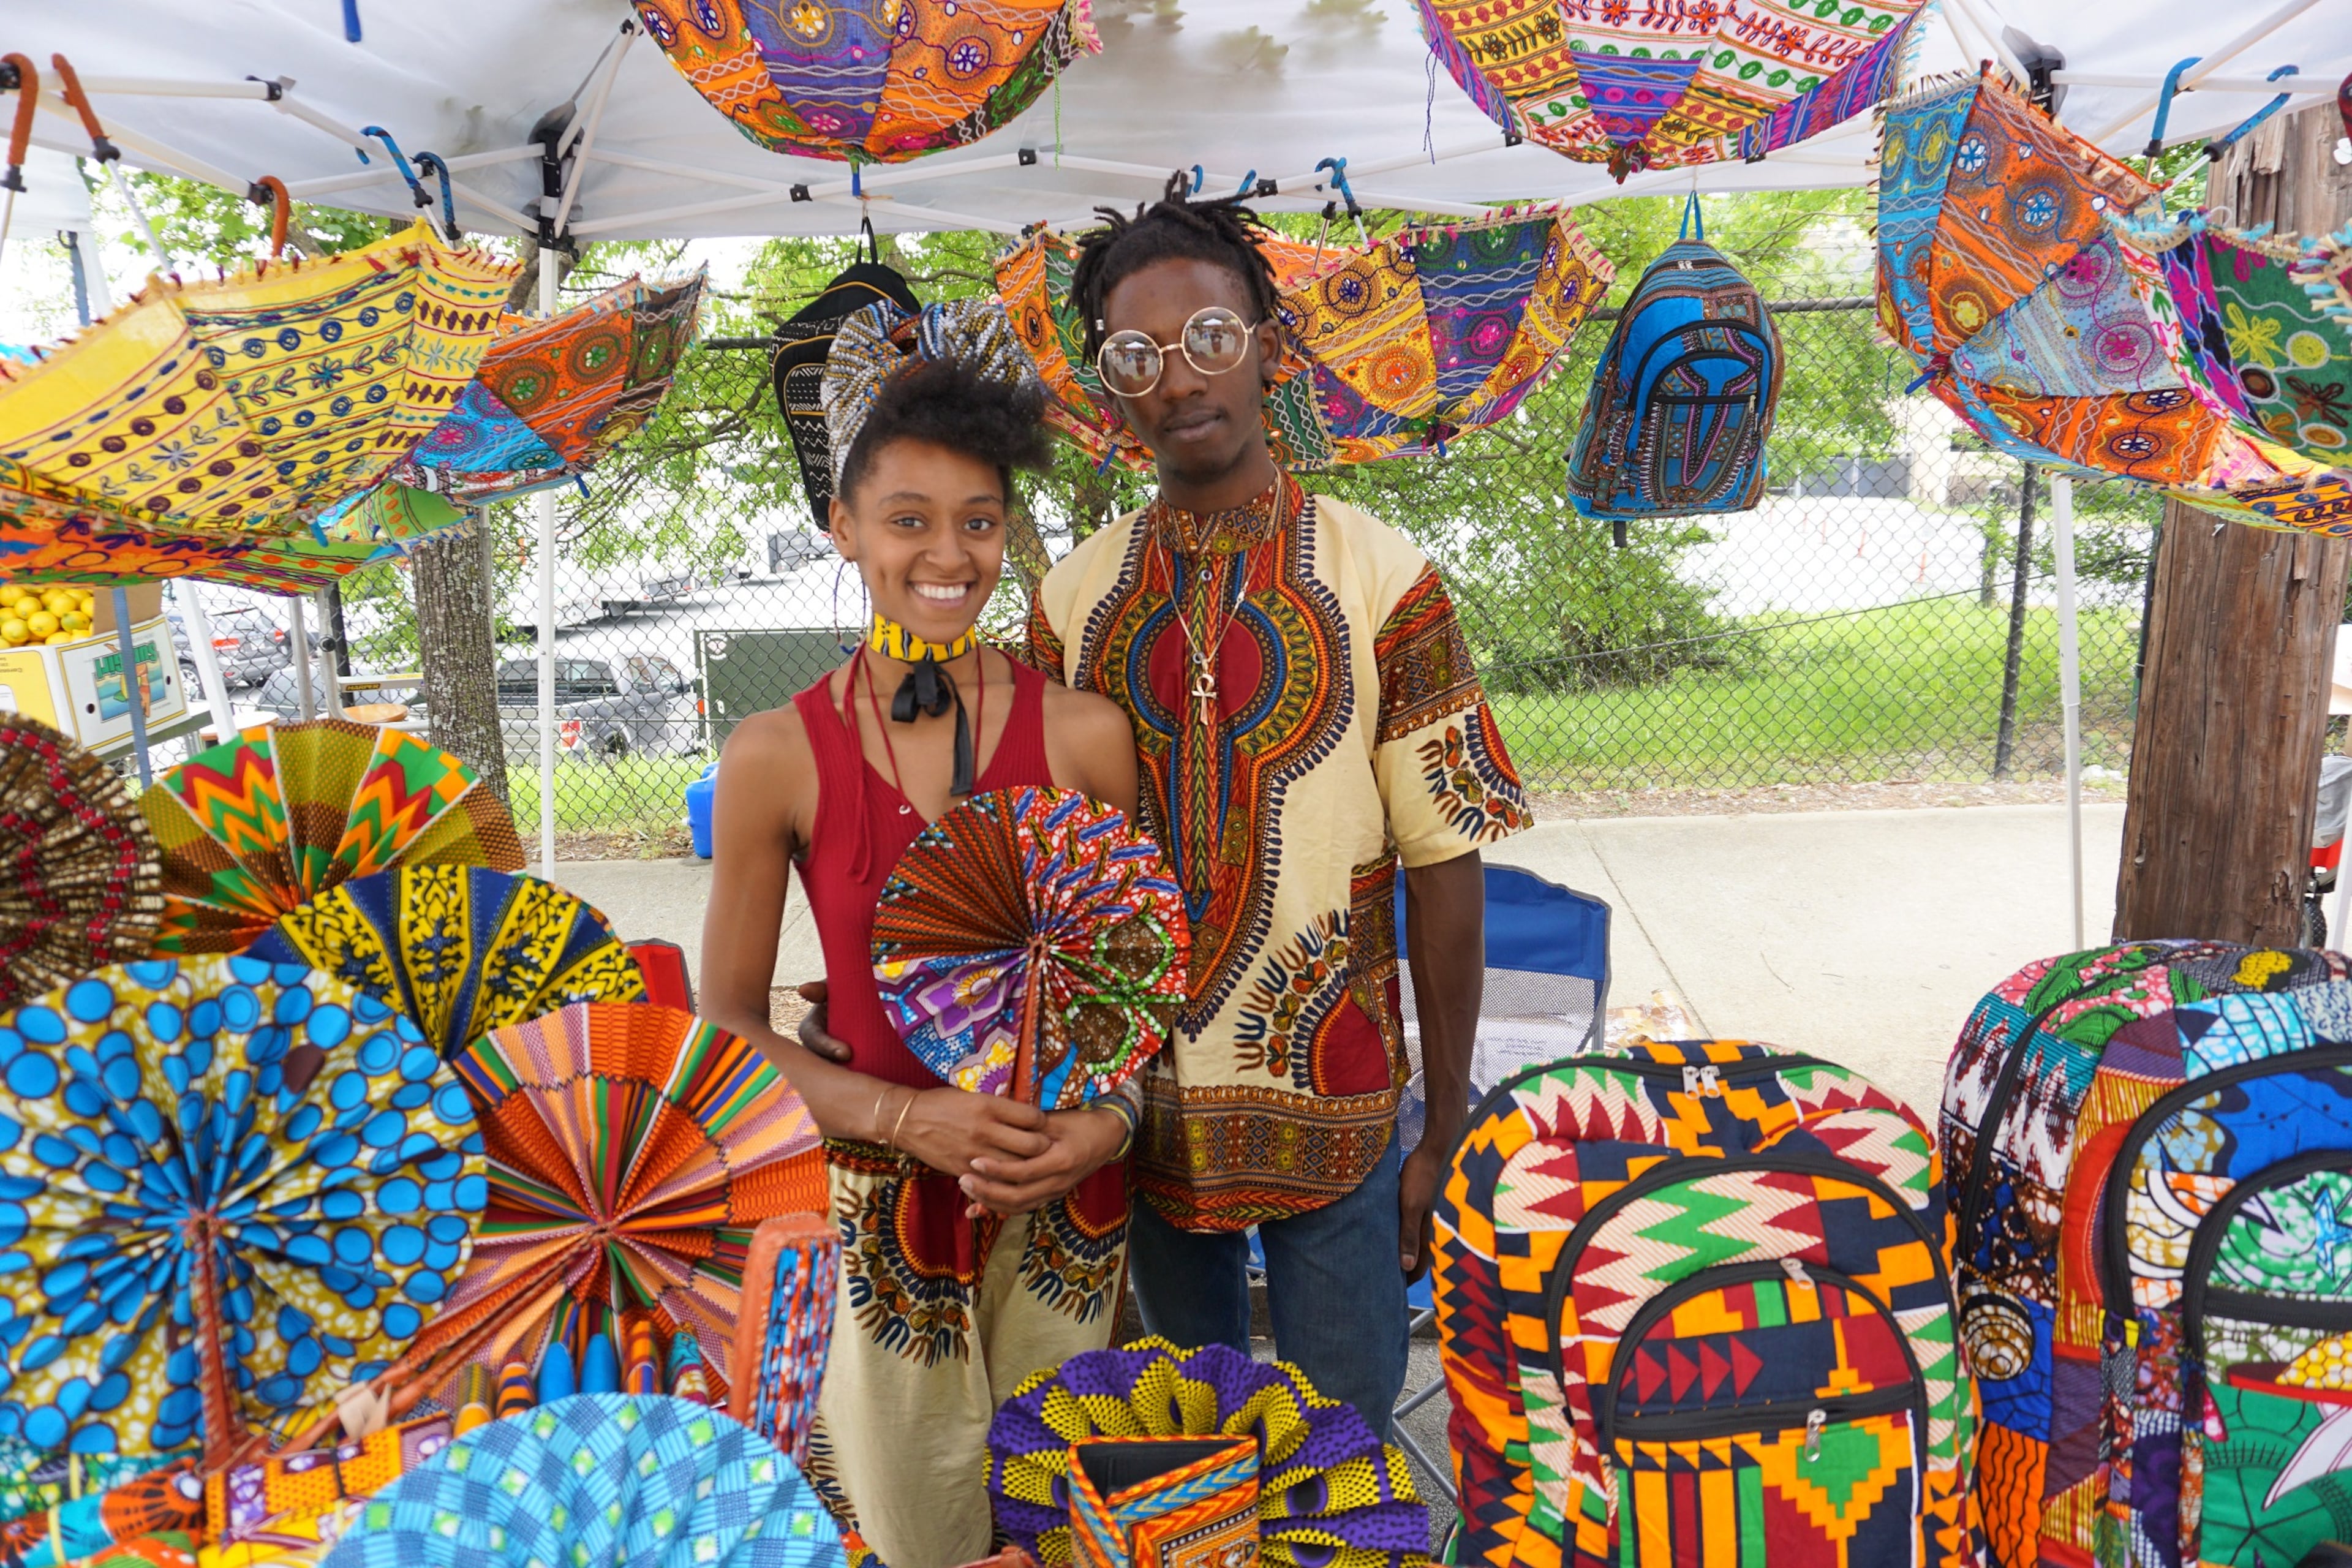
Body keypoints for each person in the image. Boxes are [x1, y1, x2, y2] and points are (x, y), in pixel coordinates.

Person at [1022, 179, 1530, 1433]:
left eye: (1209, 338)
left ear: (1268, 346)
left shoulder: (1385, 575)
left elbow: (1444, 857)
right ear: (1112, 387)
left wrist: (1446, 1118)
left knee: (1343, 1455)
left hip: (1341, 1103)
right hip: (1136, 1108)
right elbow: (1040, 872)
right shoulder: (1071, 600)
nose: (1181, 379)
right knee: (1188, 1452)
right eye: (1138, 354)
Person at [698, 300, 1143, 1568]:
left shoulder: (1082, 734)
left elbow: (1139, 989)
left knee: (1069, 1528)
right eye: (908, 519)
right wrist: (906, 1118)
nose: (948, 554)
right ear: (843, 527)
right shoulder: (776, 753)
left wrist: (1103, 1123)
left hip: (1067, 1202)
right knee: (918, 1537)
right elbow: (725, 1028)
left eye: (979, 522)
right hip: (882, 1213)